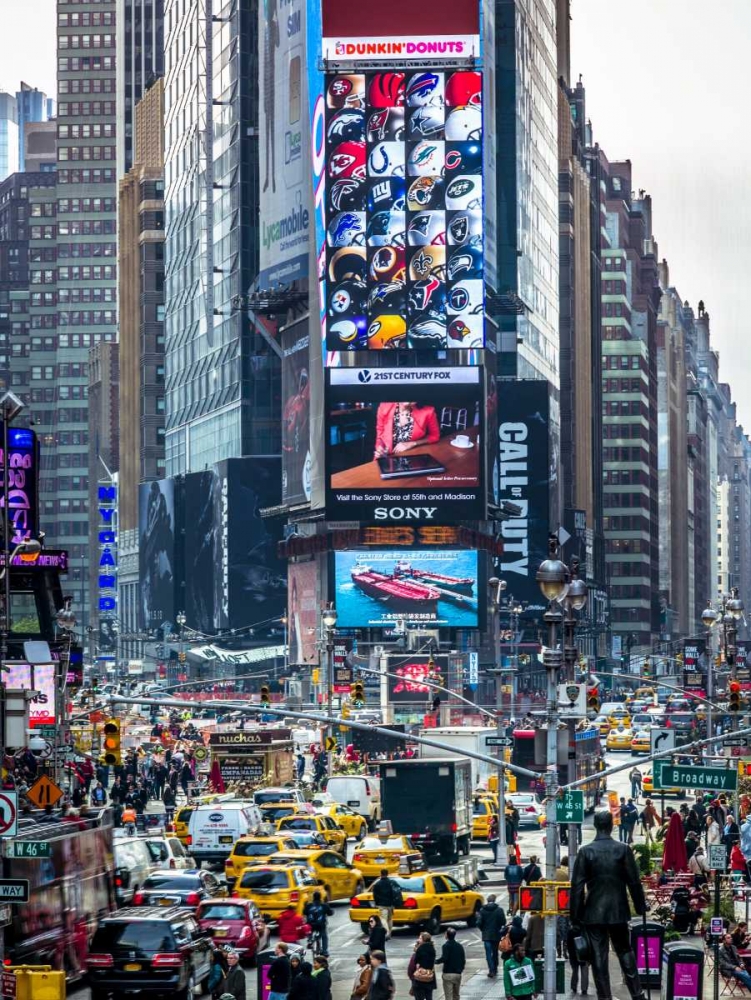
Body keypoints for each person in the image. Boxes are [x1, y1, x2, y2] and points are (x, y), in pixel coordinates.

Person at [571, 809, 647, 1000]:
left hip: (594, 913)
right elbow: (634, 882)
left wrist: (575, 918)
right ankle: (637, 995)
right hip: (618, 911)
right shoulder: (623, 849)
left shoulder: (585, 851)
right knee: (625, 951)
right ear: (612, 825)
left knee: (599, 956)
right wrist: (640, 906)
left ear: (596, 826)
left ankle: (604, 997)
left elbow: (577, 888)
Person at [374, 402, 440, 458]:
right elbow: (380, 435)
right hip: (386, 458)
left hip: (412, 457)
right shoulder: (384, 406)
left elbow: (435, 436)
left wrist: (413, 443)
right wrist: (380, 449)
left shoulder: (428, 411)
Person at [477, 893, 506, 978]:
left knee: (488, 954)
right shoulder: (499, 910)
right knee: (495, 952)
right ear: (494, 900)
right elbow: (503, 922)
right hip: (496, 934)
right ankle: (495, 967)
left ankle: (491, 969)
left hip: (486, 935)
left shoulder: (482, 910)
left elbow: (479, 922)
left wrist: (483, 929)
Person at [435, 926, 465, 1000]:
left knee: (448, 996)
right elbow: (463, 960)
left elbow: (445, 958)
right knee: (456, 995)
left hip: (448, 973)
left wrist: (436, 961)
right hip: (458, 974)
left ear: (447, 935)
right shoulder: (459, 946)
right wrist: (460, 969)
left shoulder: (446, 946)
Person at [371, 869, 402, 936]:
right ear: (387, 874)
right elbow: (398, 891)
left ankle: (387, 933)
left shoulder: (377, 884)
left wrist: (377, 903)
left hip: (382, 904)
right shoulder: (392, 882)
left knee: (383, 918)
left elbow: (375, 895)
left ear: (380, 874)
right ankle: (390, 933)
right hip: (391, 904)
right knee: (390, 919)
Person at [304, 891, 334, 957]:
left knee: (309, 930)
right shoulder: (324, 905)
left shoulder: (309, 905)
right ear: (320, 897)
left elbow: (305, 912)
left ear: (313, 897)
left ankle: (310, 941)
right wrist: (331, 911)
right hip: (321, 925)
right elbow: (330, 913)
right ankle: (325, 951)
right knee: (324, 936)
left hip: (311, 925)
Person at [409, 931, 436, 1000]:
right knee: (429, 996)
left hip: (421, 976)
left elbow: (416, 962)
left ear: (424, 939)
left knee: (419, 996)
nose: (418, 940)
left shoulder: (420, 949)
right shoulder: (432, 948)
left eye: (420, 938)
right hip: (429, 975)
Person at [566, 923, 589, 996]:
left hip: (573, 956)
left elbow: (568, 944)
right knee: (584, 972)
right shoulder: (585, 931)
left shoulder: (570, 931)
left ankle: (574, 987)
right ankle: (584, 989)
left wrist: (570, 954)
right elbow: (588, 943)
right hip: (583, 954)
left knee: (575, 971)